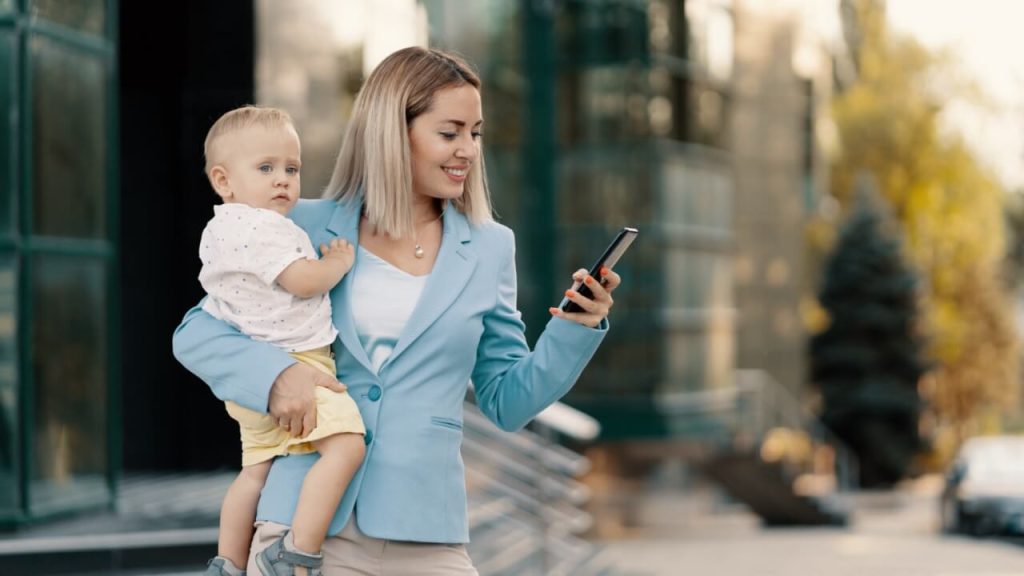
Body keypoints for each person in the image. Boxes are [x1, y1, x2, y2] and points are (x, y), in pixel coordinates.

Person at [174, 47, 622, 575]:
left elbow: (506, 400)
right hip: (302, 533)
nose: (468, 150)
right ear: (393, 131)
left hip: (427, 530)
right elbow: (197, 333)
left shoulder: (489, 247)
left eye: (475, 133)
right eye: (449, 132)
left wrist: (574, 329)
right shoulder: (301, 226)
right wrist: (279, 377)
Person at [196, 105, 366, 576]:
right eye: (266, 168)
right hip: (295, 363)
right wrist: (336, 263)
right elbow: (303, 281)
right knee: (347, 446)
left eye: (292, 168)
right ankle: (297, 549)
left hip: (249, 384)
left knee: (255, 472)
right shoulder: (260, 228)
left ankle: (227, 562)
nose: (283, 180)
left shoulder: (218, 231)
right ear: (224, 181)